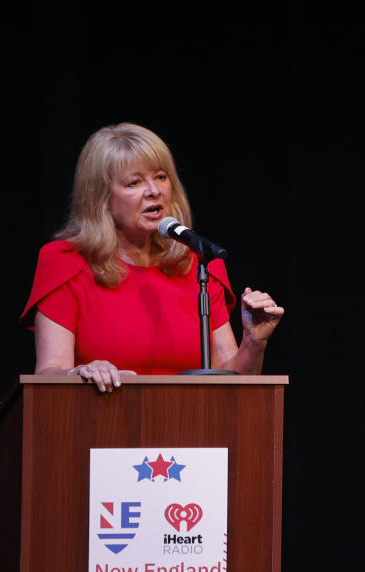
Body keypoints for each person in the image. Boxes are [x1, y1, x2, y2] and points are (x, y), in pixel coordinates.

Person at [21, 123, 283, 391]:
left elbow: (229, 382)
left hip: (191, 429)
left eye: (160, 177)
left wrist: (254, 341)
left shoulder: (200, 264)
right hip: (101, 426)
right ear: (102, 199)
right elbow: (48, 373)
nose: (153, 190)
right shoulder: (65, 261)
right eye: (134, 182)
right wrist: (80, 373)